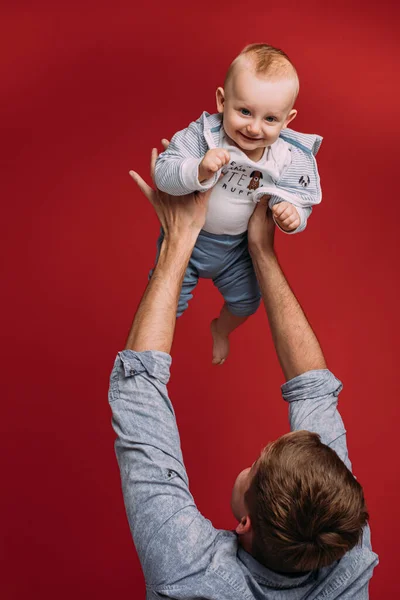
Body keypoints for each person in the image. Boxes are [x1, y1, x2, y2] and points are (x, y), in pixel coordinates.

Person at [108, 147, 378, 599]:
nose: (250, 463)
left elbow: (138, 391)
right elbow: (314, 389)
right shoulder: (344, 550)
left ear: (245, 522)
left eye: (254, 469)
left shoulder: (186, 568)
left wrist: (178, 240)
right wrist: (261, 250)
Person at [152, 43, 323, 365]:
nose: (254, 128)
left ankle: (221, 330)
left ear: (288, 119)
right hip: (188, 241)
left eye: (270, 118)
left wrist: (294, 215)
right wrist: (197, 168)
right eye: (244, 112)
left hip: (235, 251)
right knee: (164, 302)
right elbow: (164, 172)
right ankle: (157, 358)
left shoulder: (287, 158)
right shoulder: (203, 137)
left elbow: (302, 197)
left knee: (247, 303)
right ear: (222, 101)